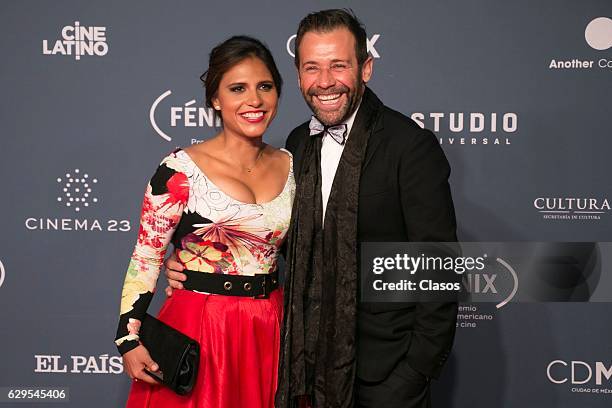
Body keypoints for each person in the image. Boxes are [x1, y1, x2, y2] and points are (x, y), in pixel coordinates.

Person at [166, 9, 457, 408]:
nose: (324, 82)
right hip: (304, 368)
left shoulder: (410, 147)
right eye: (312, 68)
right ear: (299, 74)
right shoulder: (298, 143)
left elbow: (438, 269)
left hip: (386, 374)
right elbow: (280, 239)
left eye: (339, 66)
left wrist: (415, 372)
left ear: (366, 68)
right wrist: (202, 261)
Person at [114, 35, 295, 408]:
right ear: (216, 98)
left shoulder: (293, 166)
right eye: (237, 88)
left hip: (270, 326)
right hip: (201, 327)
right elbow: (147, 256)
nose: (254, 100)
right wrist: (128, 339)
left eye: (265, 86)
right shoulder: (179, 170)